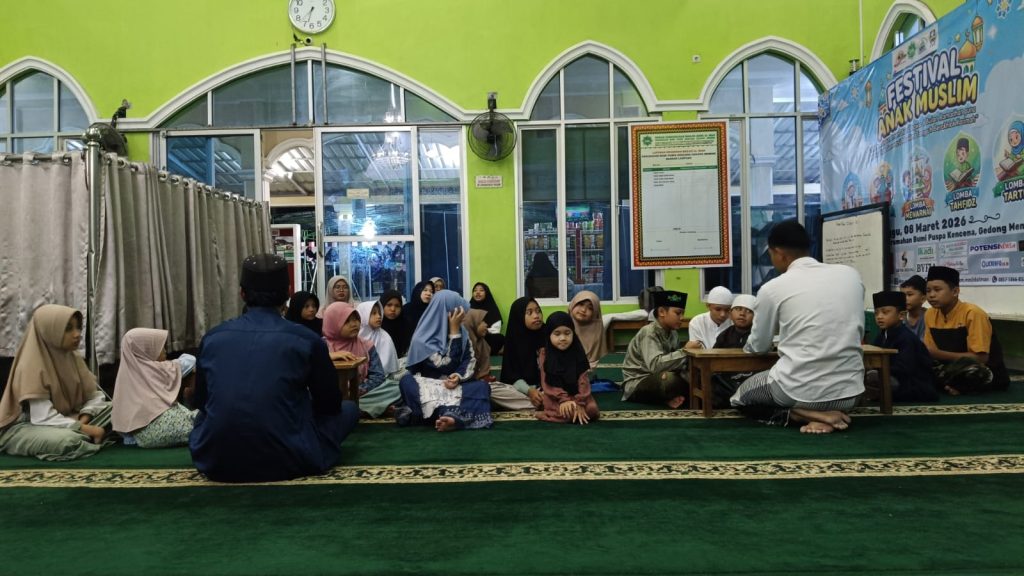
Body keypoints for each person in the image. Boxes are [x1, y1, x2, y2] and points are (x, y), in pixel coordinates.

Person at [189, 254, 359, 482]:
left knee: (205, 416)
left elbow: (202, 402)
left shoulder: (212, 338)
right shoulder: (306, 339)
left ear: (242, 293)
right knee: (349, 409)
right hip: (291, 457)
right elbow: (329, 404)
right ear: (288, 293)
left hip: (216, 459)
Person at [732, 220, 865, 434]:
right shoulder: (851, 275)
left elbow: (758, 347)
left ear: (779, 253)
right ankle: (827, 413)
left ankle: (804, 414)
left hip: (795, 391)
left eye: (770, 254)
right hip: (851, 393)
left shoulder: (772, 288)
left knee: (740, 398)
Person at [0, 305, 111, 460]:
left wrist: (84, 420)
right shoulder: (31, 364)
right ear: (49, 331)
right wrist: (89, 429)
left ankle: (82, 434)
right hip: (27, 426)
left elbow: (95, 395)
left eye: (78, 328)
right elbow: (43, 417)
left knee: (116, 409)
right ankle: (81, 436)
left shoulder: (71, 357)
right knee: (68, 440)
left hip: (66, 418)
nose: (77, 334)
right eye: (68, 329)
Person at [395, 290, 493, 432]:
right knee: (406, 382)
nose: (463, 315)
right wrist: (454, 334)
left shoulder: (463, 333)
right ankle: (450, 415)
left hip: (454, 387)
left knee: (482, 387)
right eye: (459, 311)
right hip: (429, 386)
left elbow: (470, 360)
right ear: (447, 313)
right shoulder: (422, 338)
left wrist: (457, 376)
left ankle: (438, 416)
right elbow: (444, 366)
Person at [923, 265, 1009, 395]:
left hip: (983, 369)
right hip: (951, 367)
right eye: (928, 291)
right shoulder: (930, 314)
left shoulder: (973, 313)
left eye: (937, 290)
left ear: (955, 291)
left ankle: (952, 384)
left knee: (972, 372)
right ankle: (953, 384)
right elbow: (931, 354)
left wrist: (938, 354)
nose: (931, 295)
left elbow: (981, 358)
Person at [112, 328, 198, 448]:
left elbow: (122, 420)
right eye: (159, 347)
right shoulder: (157, 369)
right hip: (169, 424)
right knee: (205, 420)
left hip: (143, 438)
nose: (165, 351)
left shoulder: (124, 378)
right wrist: (170, 363)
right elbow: (190, 360)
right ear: (146, 350)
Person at [323, 302, 401, 418]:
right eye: (347, 321)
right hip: (330, 395)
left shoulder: (367, 345)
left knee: (397, 387)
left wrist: (356, 390)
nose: (354, 324)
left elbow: (378, 376)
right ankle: (373, 408)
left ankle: (359, 408)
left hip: (361, 394)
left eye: (356, 319)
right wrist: (328, 356)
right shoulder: (321, 346)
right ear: (333, 323)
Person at [621, 290, 689, 409]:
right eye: (678, 313)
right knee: (670, 380)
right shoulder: (649, 332)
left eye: (683, 313)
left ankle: (670, 397)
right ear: (662, 312)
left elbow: (675, 363)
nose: (682, 318)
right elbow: (655, 366)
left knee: (693, 377)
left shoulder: (673, 333)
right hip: (638, 381)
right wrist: (685, 352)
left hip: (661, 375)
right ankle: (670, 396)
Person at [869, 290, 938, 402]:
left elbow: (903, 369)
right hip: (892, 377)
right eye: (876, 313)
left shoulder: (906, 338)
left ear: (901, 315)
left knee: (873, 376)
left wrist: (877, 370)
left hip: (912, 384)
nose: (879, 317)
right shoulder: (882, 335)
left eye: (885, 312)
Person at [535, 312, 599, 424]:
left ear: (573, 333)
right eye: (557, 334)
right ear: (549, 335)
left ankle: (568, 414)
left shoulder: (577, 350)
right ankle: (547, 415)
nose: (563, 338)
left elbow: (583, 380)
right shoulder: (545, 354)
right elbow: (547, 384)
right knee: (568, 413)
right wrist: (564, 400)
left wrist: (580, 402)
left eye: (567, 333)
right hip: (555, 397)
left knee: (592, 409)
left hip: (577, 395)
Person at [464, 309, 534, 411]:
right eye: (482, 322)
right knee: (494, 390)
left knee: (510, 389)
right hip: (472, 387)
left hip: (486, 384)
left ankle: (536, 400)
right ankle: (535, 404)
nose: (486, 325)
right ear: (472, 324)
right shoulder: (464, 347)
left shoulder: (482, 344)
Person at [498, 296, 547, 407]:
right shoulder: (513, 341)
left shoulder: (549, 335)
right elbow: (511, 375)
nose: (536, 316)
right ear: (519, 316)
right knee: (492, 390)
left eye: (538, 311)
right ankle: (542, 401)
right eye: (529, 313)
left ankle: (545, 400)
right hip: (521, 391)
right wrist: (529, 391)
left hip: (549, 389)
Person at [710, 294, 757, 408]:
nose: (742, 314)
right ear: (730, 314)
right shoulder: (724, 335)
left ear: (756, 316)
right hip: (727, 378)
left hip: (752, 377)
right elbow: (713, 360)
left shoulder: (758, 336)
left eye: (748, 311)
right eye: (738, 309)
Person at [356, 300, 400, 376]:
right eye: (374, 313)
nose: (379, 316)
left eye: (380, 313)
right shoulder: (355, 336)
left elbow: (387, 368)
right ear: (363, 315)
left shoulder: (385, 337)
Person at [569, 290, 608, 369]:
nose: (583, 310)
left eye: (590, 308)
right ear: (573, 304)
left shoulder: (597, 330)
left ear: (595, 313)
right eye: (580, 304)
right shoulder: (563, 326)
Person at [469, 282, 505, 354]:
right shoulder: (468, 307)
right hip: (472, 338)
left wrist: (482, 331)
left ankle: (479, 351)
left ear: (486, 293)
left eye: (481, 290)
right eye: (475, 290)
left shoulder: (492, 309)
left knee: (499, 338)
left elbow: (496, 330)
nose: (478, 292)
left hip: (486, 337)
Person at [379, 290, 412, 358]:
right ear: (382, 305)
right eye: (389, 305)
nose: (393, 309)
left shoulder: (406, 325)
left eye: (397, 306)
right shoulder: (376, 326)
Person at [899, 275, 928, 341]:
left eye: (909, 295)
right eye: (902, 295)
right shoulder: (900, 318)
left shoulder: (929, 317)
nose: (904, 299)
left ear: (923, 298)